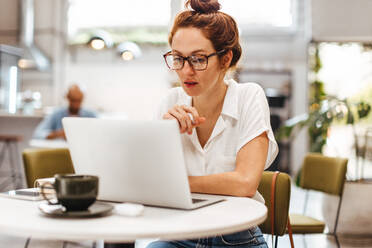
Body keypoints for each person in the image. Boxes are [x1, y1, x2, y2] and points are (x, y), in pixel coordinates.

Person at [148, 0, 278, 248]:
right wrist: (162, 135)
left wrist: (177, 184)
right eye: (177, 58)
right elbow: (149, 183)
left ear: (225, 59)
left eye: (198, 59)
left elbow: (245, 183)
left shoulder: (248, 96)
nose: (186, 71)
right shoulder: (170, 102)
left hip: (236, 236)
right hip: (179, 233)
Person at [33, 84, 97, 140]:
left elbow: (100, 133)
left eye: (79, 100)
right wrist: (57, 134)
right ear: (67, 98)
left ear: (82, 99)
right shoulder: (56, 114)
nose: (76, 104)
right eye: (73, 100)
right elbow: (38, 133)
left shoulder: (91, 115)